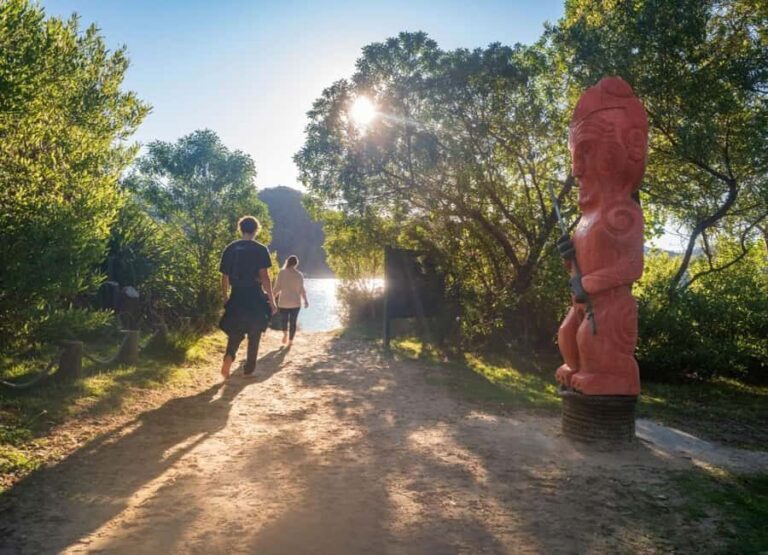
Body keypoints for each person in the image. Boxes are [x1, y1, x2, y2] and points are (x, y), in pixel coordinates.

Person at [218, 216, 277, 378]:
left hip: (237, 294)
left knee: (236, 330)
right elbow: (264, 277)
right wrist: (271, 300)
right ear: (256, 230)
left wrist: (225, 296)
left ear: (240, 228)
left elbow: (224, 276)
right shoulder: (260, 249)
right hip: (254, 295)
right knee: (255, 331)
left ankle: (229, 356)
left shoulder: (230, 248)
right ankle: (249, 369)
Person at [272, 255, 309, 346]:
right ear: (296, 264)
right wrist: (305, 300)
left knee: (284, 320)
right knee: (293, 322)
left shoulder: (282, 273)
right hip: (295, 303)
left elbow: (277, 287)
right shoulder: (299, 275)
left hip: (283, 302)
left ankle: (285, 334)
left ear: (287, 262)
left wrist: (272, 298)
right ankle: (291, 340)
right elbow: (302, 289)